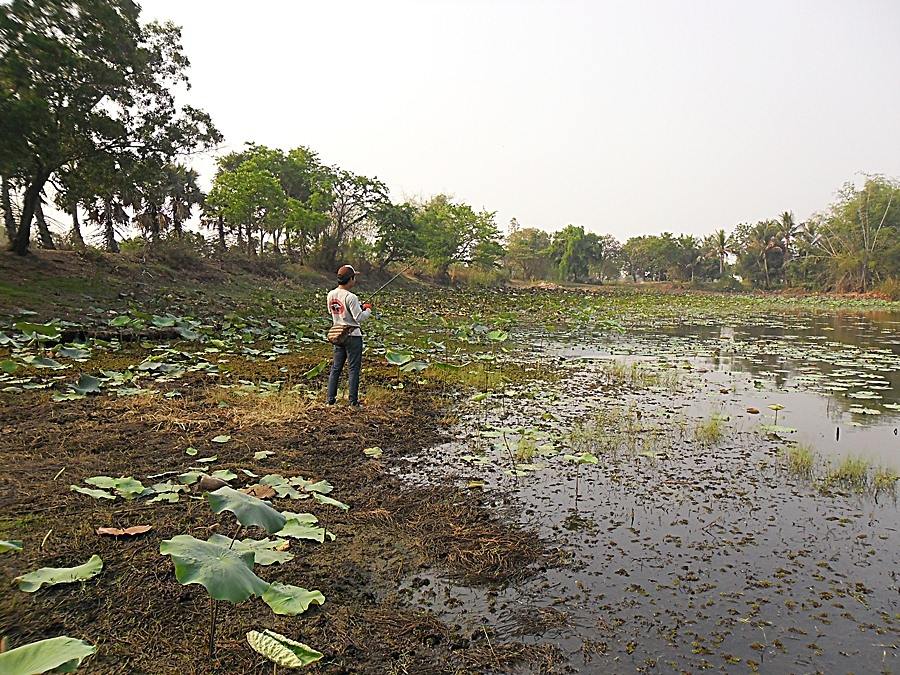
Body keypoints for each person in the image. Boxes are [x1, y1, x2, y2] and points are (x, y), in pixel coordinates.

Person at [326, 264, 373, 406]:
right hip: (353, 336)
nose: (355, 280)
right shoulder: (351, 297)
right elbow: (358, 317)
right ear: (350, 279)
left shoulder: (331, 294)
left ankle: (330, 400)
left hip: (338, 335)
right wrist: (368, 310)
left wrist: (358, 307)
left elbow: (332, 312)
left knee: (336, 368)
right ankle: (353, 402)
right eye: (354, 277)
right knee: (353, 369)